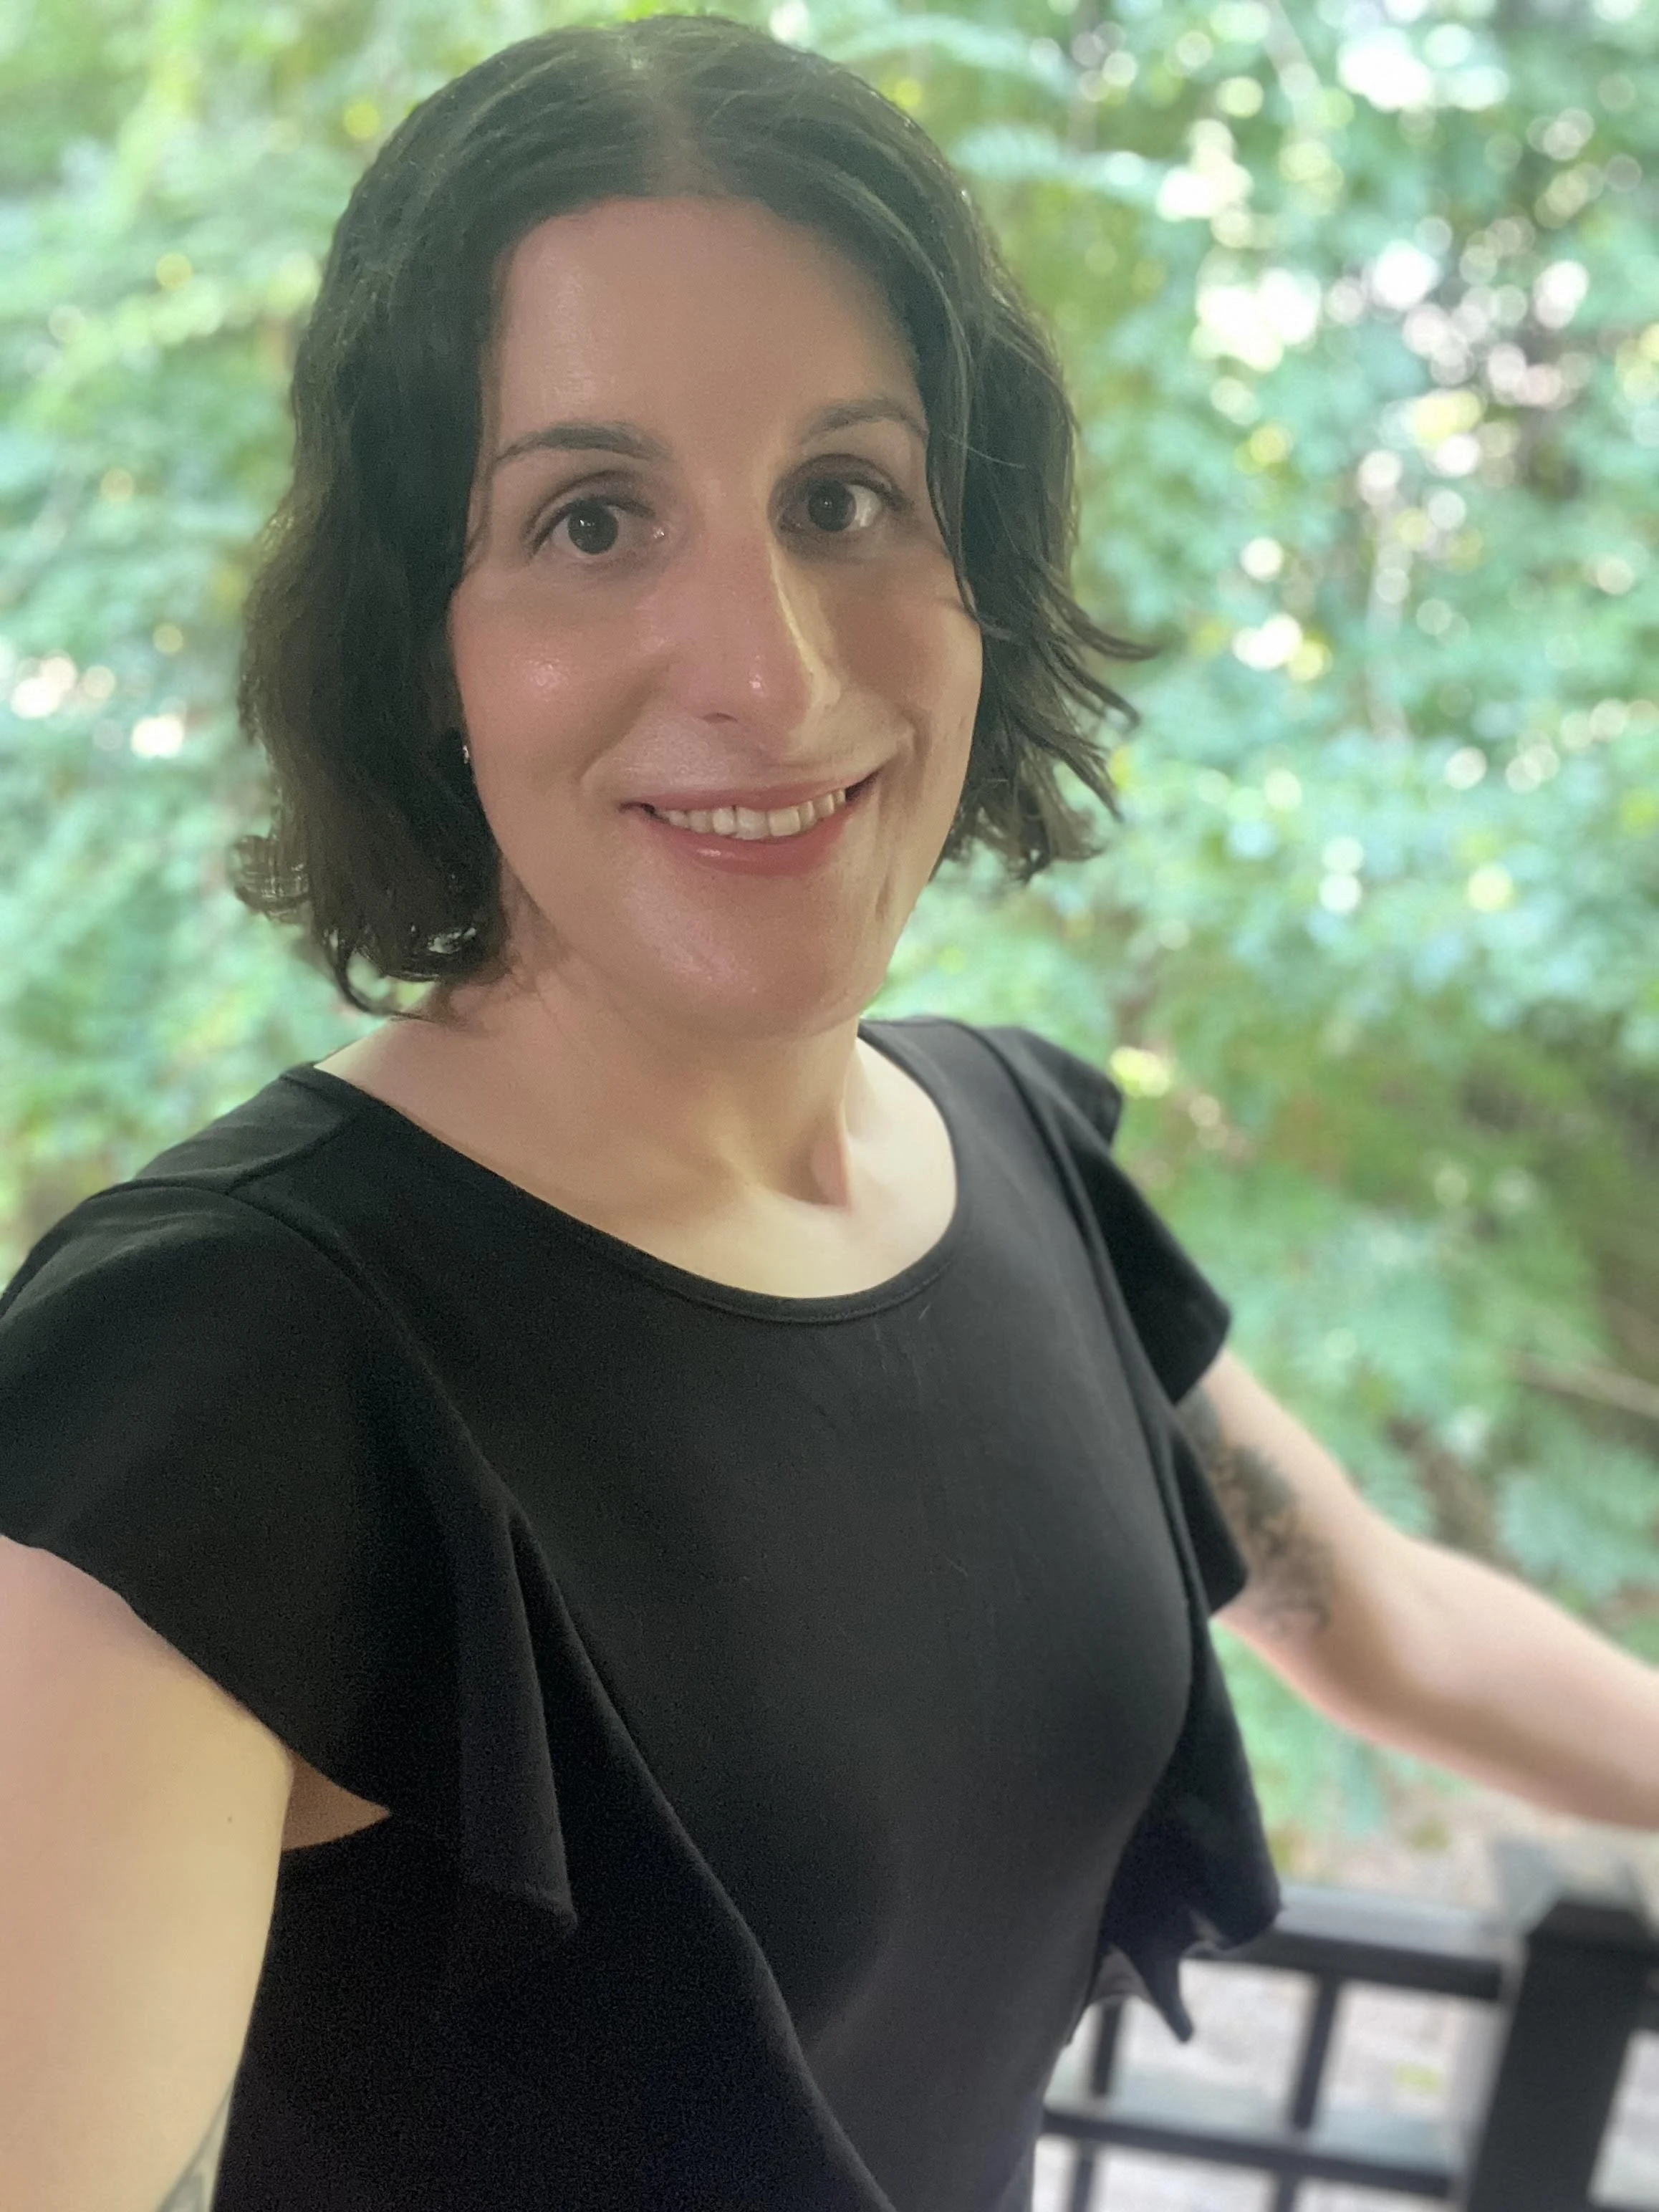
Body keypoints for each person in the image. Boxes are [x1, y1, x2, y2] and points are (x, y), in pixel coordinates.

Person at [1, 15, 1654, 2212]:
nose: (768, 672)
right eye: (591, 518)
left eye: (843, 496)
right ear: (423, 645)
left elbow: (1386, 1626)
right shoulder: (221, 1363)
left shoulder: (1013, 1147)